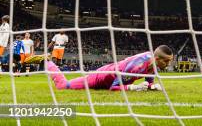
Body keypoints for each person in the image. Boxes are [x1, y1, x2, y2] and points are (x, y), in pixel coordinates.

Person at [28, 45, 173, 91]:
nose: (168, 65)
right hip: (100, 78)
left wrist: (151, 86)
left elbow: (149, 77)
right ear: (157, 59)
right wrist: (132, 88)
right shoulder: (136, 68)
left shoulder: (151, 61)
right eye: (166, 61)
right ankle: (47, 61)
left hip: (111, 73)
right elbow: (113, 88)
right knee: (63, 85)